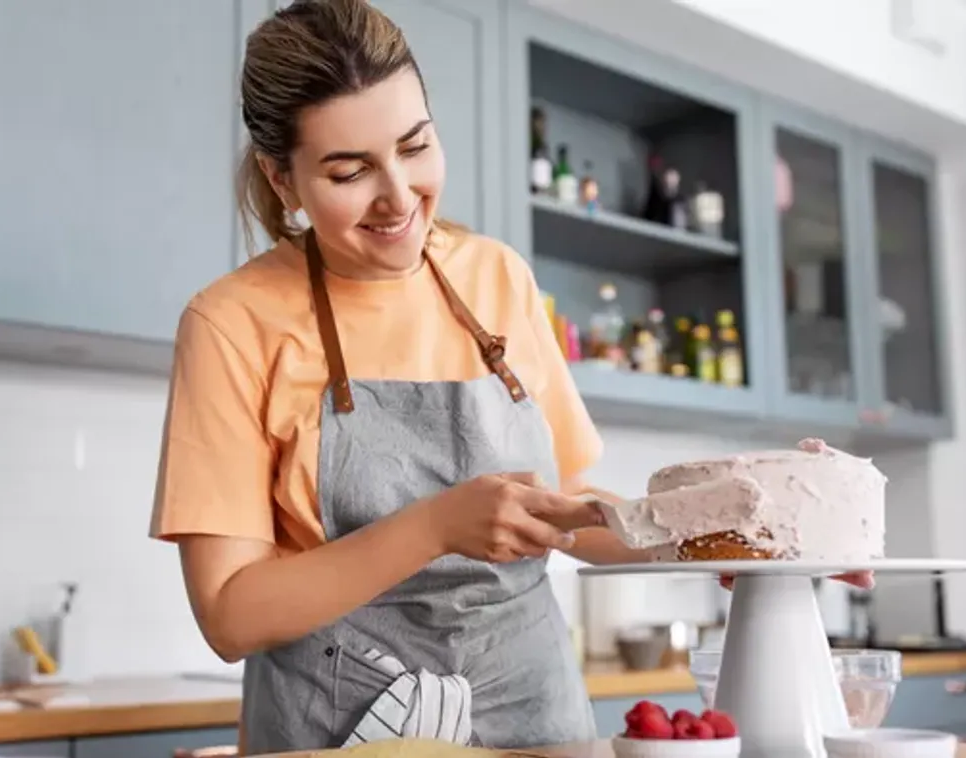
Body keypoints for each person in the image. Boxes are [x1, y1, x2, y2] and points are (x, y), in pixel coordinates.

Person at [149, 0, 871, 753]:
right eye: (349, 170)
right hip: (341, 732)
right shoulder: (231, 322)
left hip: (536, 725)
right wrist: (434, 527)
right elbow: (230, 615)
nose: (399, 195)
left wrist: (742, 528)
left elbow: (566, 511)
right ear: (283, 178)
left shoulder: (495, 277)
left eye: (414, 145)